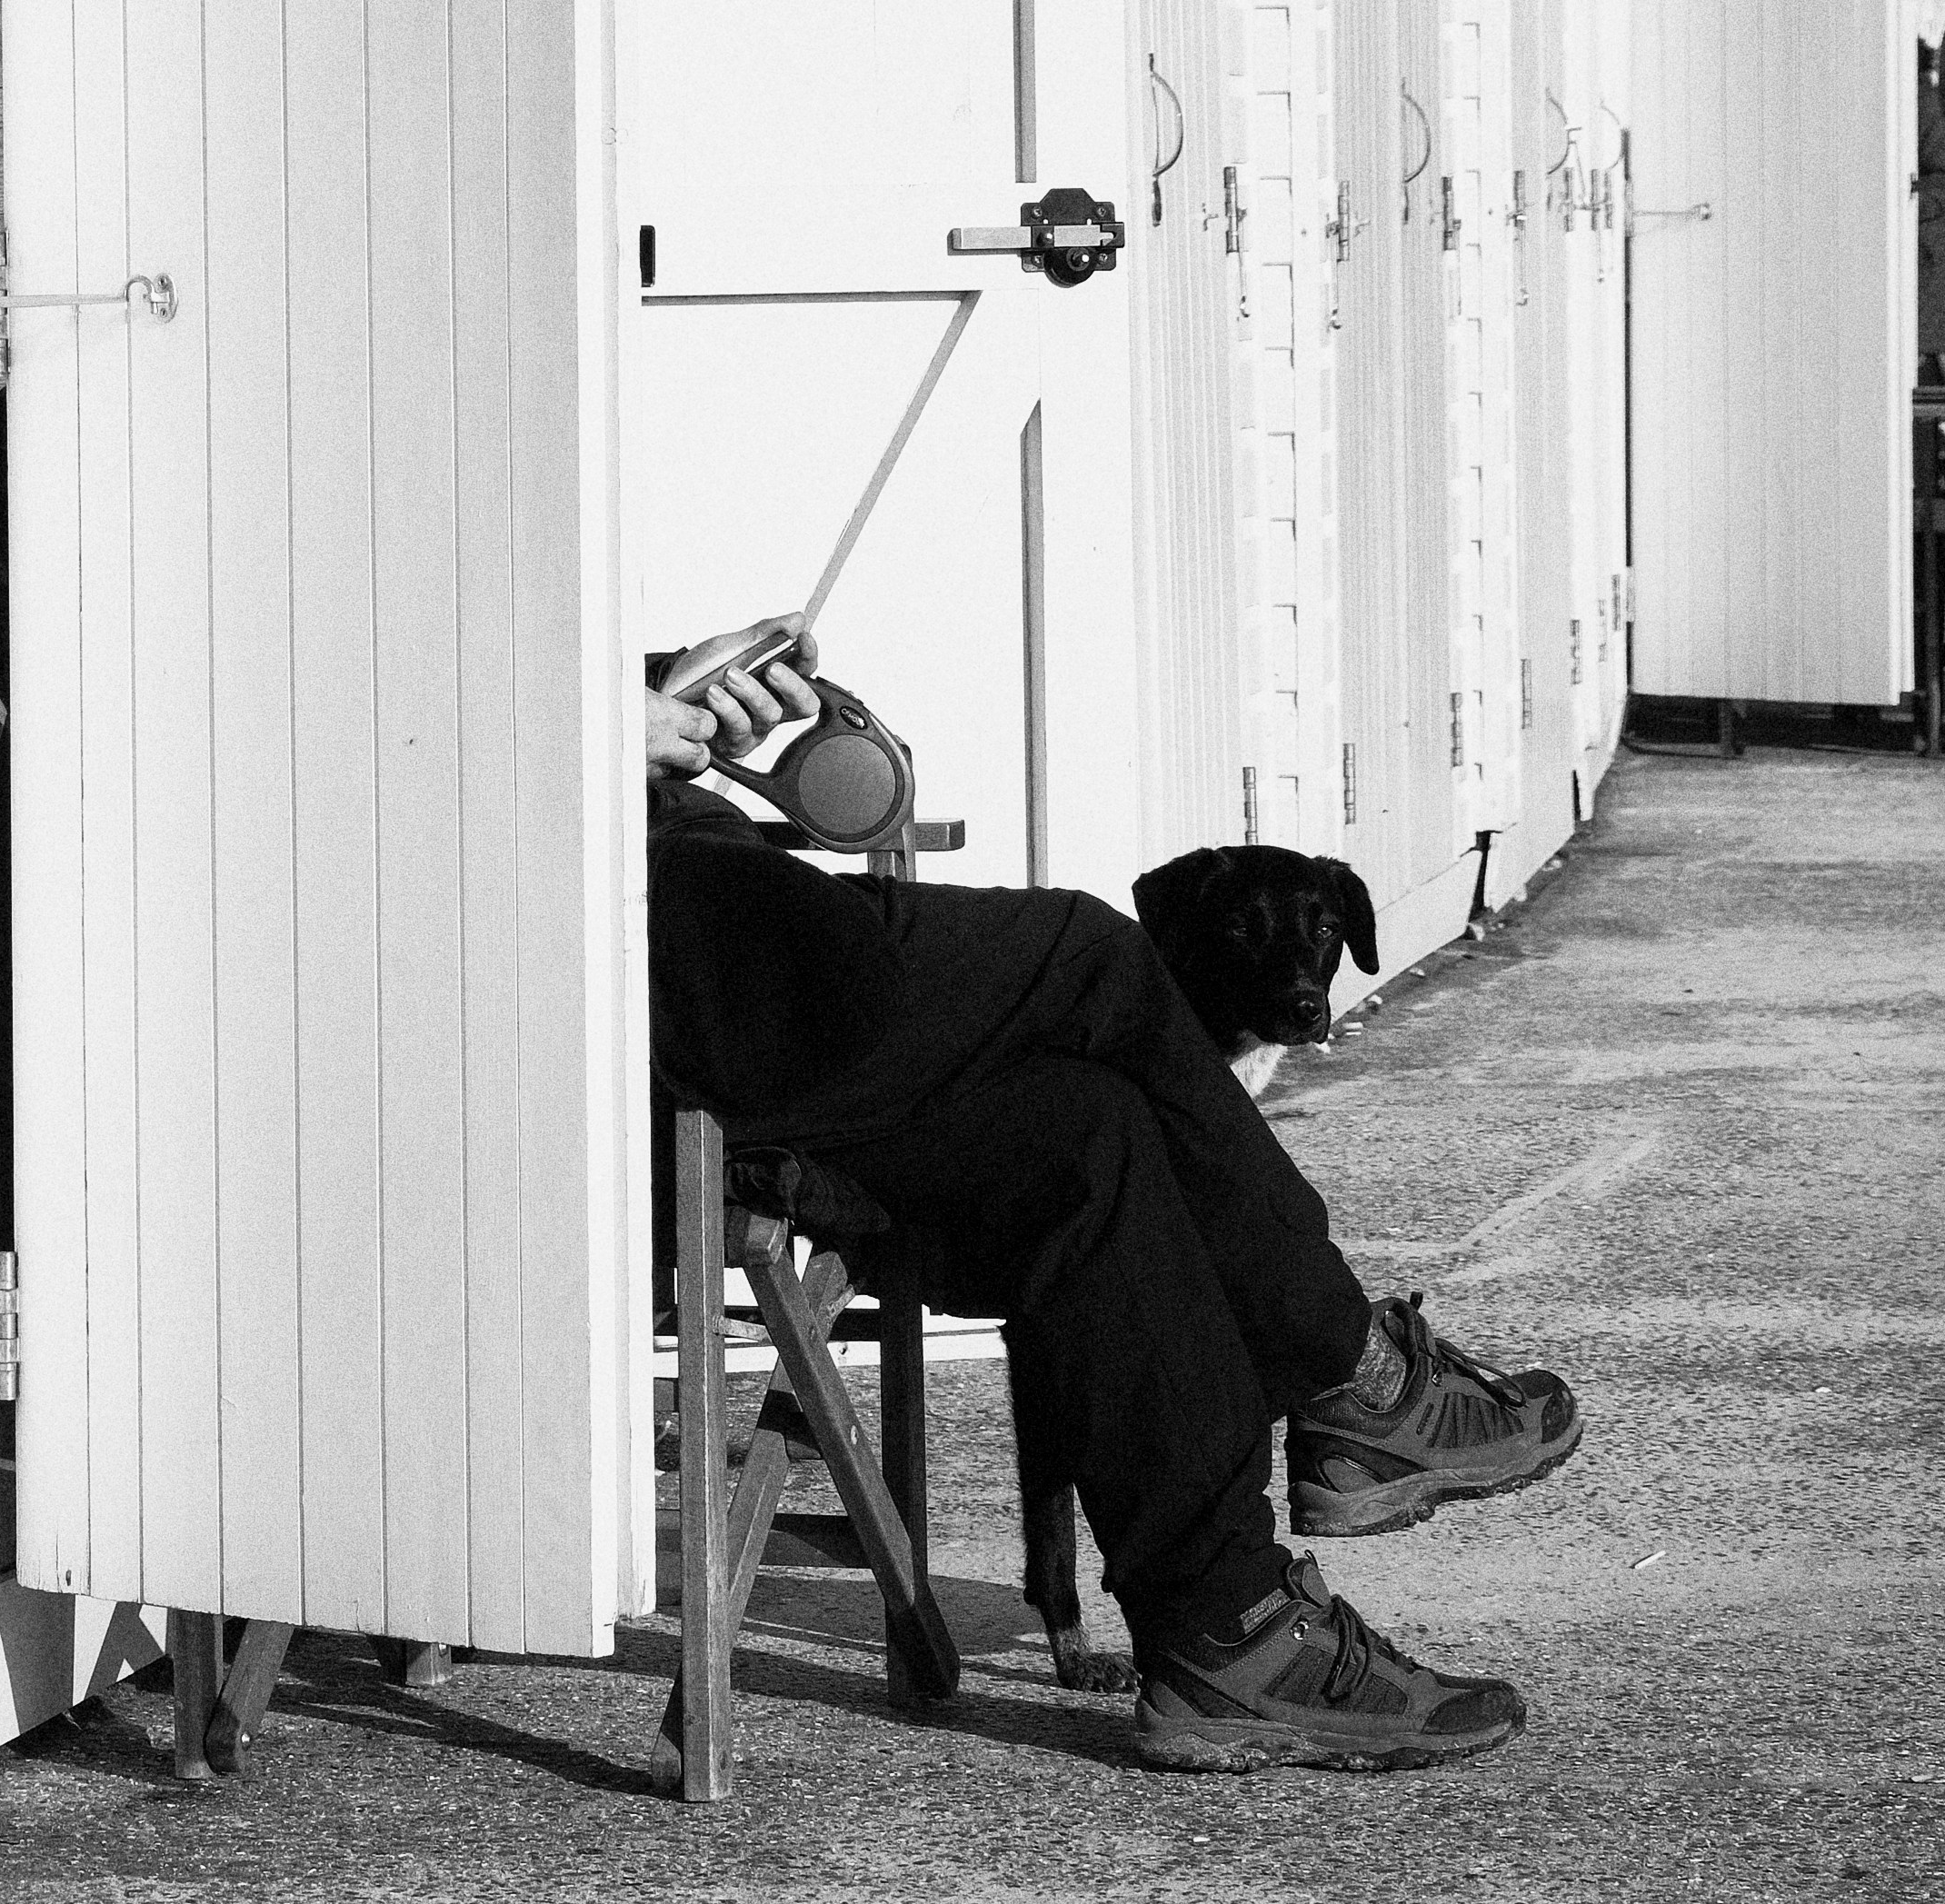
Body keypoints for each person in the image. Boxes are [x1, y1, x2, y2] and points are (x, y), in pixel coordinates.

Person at [645, 623, 1580, 1774]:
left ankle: (1226, 1637)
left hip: (735, 989)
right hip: (664, 976)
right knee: (1092, 952)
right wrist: (594, 733)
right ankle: (1354, 1371)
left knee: (1092, 1136)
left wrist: (668, 705)